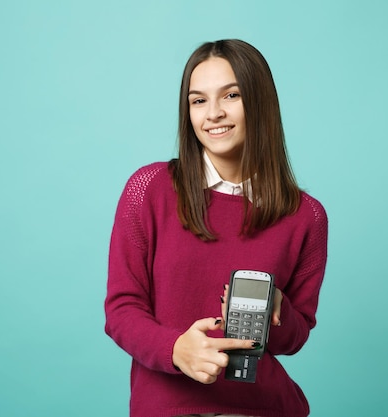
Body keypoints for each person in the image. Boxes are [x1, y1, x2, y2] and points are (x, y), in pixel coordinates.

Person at [105, 39, 328, 417]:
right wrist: (176, 349)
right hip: (167, 405)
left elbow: (296, 337)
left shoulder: (306, 216)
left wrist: (278, 309)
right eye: (198, 100)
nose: (213, 114)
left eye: (231, 96)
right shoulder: (149, 189)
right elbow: (122, 309)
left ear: (260, 102)